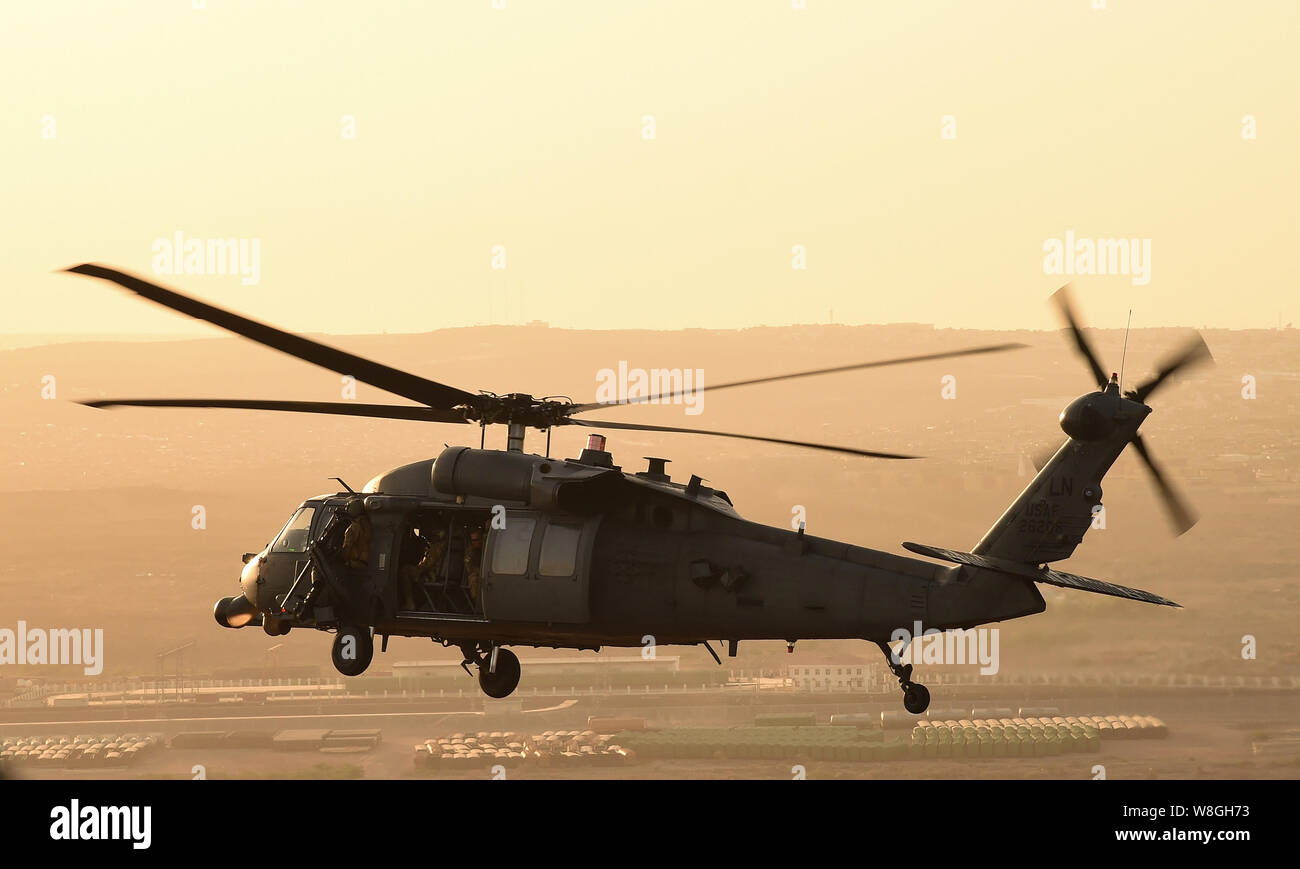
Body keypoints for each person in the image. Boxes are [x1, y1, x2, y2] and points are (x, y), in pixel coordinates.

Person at [464, 527, 484, 603]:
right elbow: (470, 568)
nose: (474, 543)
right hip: (477, 575)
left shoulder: (486, 548)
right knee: (474, 578)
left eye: (476, 540)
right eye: (472, 540)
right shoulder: (470, 552)